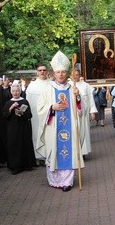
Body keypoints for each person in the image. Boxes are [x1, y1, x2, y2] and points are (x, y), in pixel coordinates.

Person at [36, 51, 84, 192]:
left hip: (69, 127)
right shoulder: (47, 89)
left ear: (67, 72)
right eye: (58, 72)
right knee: (55, 151)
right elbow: (40, 109)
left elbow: (80, 110)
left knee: (69, 150)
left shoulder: (73, 88)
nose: (61, 74)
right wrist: (52, 107)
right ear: (54, 73)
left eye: (63, 72)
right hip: (53, 128)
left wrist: (78, 97)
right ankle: (55, 180)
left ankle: (67, 182)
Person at [3, 84, 36, 174]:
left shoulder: (24, 101)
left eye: (17, 91)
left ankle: (26, 164)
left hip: (23, 128)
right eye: (13, 91)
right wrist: (11, 108)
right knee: (13, 146)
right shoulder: (8, 103)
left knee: (23, 144)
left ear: (20, 91)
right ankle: (15, 166)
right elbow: (4, 115)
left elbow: (29, 115)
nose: (15, 93)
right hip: (12, 129)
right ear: (11, 92)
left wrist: (22, 113)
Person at [26, 64, 52, 164]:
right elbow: (28, 101)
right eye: (40, 70)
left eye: (44, 70)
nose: (42, 72)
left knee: (47, 135)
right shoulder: (32, 86)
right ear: (37, 72)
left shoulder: (52, 84)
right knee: (36, 134)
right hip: (36, 116)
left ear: (47, 71)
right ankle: (37, 157)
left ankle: (48, 155)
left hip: (49, 115)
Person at [73, 70, 97, 157]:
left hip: (84, 114)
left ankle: (83, 152)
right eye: (74, 74)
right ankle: (75, 153)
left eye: (77, 74)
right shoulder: (68, 85)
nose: (76, 76)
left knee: (84, 132)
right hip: (73, 115)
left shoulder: (86, 85)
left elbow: (90, 99)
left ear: (80, 75)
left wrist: (92, 112)